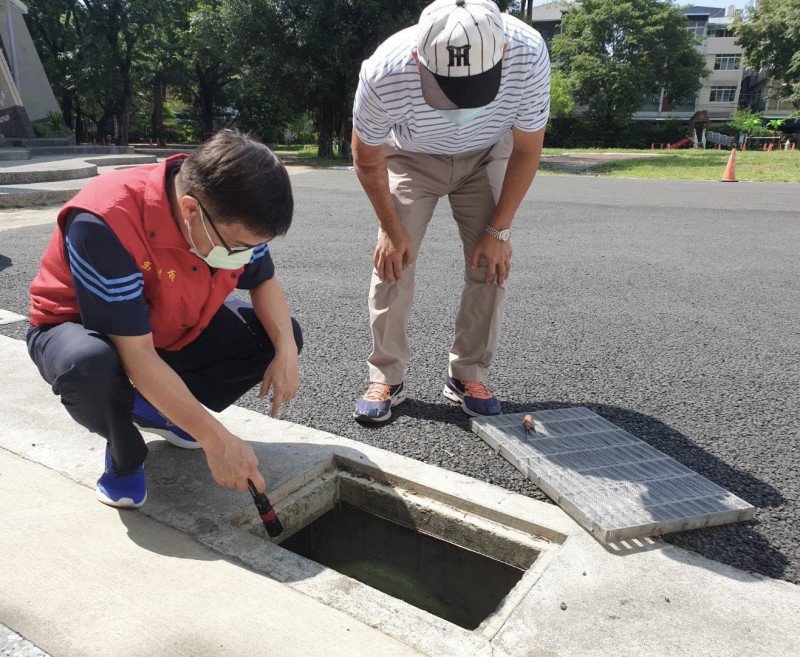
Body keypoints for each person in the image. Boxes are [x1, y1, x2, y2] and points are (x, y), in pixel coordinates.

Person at [27, 130, 302, 508]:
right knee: (90, 366)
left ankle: (158, 406)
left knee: (273, 338)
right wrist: (215, 439)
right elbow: (135, 352)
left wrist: (286, 351)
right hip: (84, 328)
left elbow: (264, 280)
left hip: (166, 322)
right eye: (237, 247)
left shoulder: (227, 210)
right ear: (190, 210)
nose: (246, 256)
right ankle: (124, 453)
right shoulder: (106, 220)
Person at [351, 0, 549, 422]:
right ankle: (387, 375)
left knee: (491, 262)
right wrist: (389, 227)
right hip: (410, 157)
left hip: (486, 155)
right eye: (446, 88)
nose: (459, 106)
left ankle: (466, 373)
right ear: (418, 57)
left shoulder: (528, 52)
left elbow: (528, 149)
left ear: (500, 53)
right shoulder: (385, 70)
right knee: (393, 262)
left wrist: (500, 231)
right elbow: (366, 157)